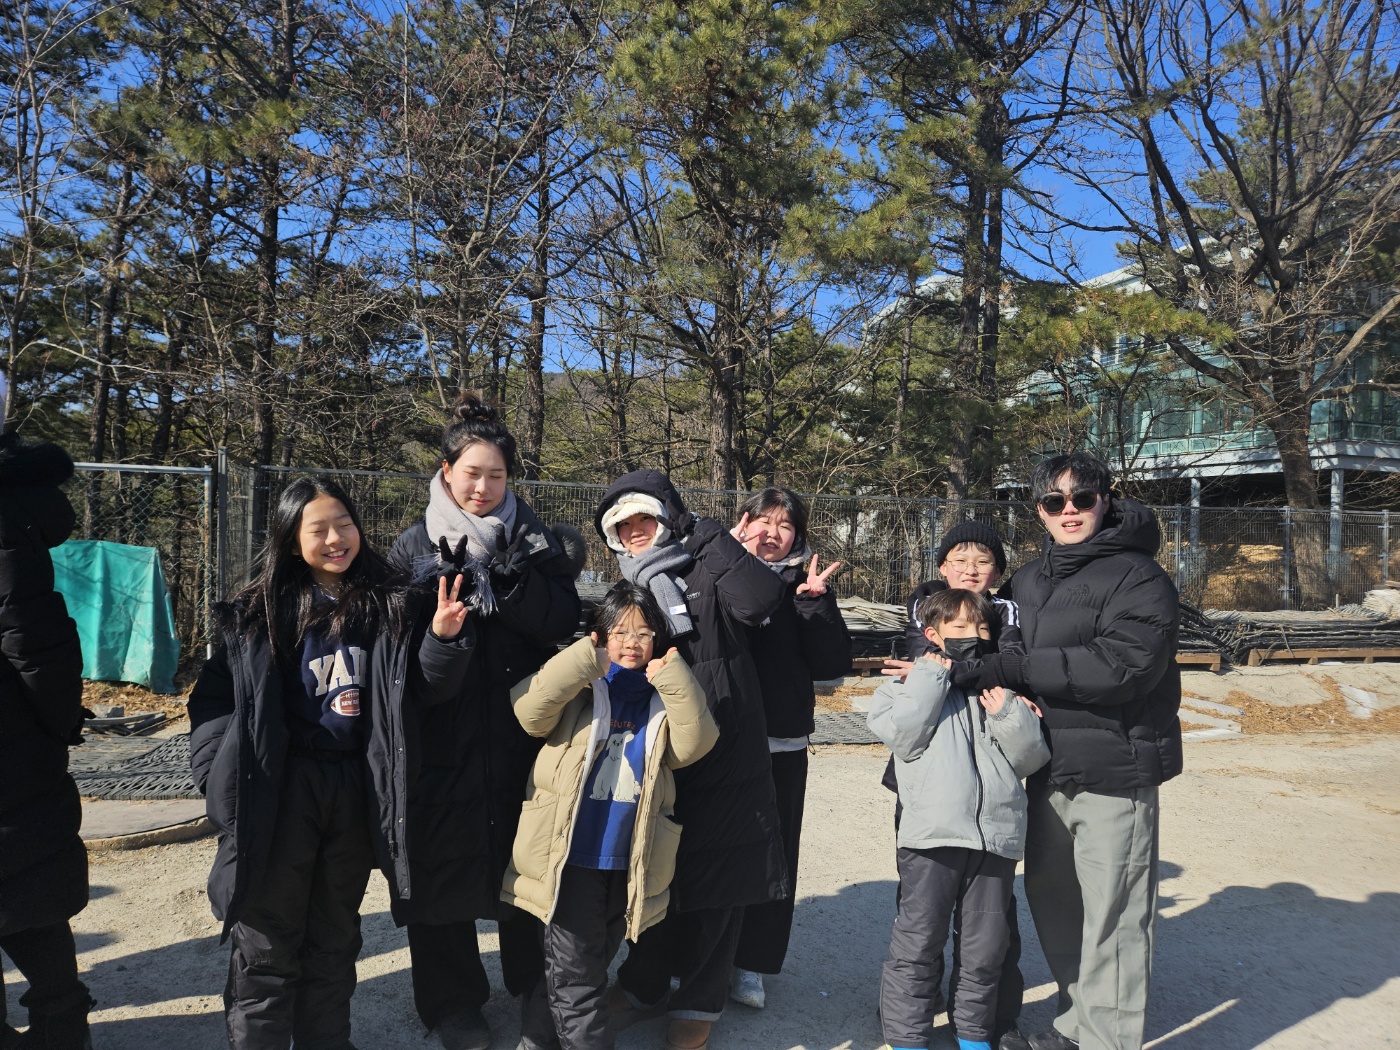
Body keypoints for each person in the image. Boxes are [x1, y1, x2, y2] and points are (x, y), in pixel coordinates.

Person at [188, 476, 476, 1050]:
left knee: (335, 938)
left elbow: (421, 692)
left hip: (352, 788)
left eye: (344, 524)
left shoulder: (389, 604)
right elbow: (214, 702)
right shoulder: (257, 614)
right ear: (292, 541)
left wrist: (442, 640)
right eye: (318, 529)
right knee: (267, 943)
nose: (335, 538)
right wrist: (217, 771)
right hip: (283, 789)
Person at [387, 392, 584, 1050]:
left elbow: (563, 618)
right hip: (441, 728)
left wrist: (511, 580)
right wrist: (442, 633)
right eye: (472, 473)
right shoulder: (414, 544)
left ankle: (536, 986)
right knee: (440, 863)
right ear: (446, 471)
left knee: (529, 860)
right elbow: (394, 650)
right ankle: (452, 1002)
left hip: (522, 730)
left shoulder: (533, 538)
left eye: (496, 475)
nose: (483, 486)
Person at [971, 453, 1182, 1050]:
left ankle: (1105, 1039)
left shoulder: (1139, 576)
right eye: (1054, 501)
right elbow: (990, 637)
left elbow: (1124, 666)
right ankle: (1077, 1024)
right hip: (1044, 768)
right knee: (1056, 901)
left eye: (1081, 498)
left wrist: (1018, 669)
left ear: (1105, 501)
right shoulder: (1029, 580)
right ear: (1038, 510)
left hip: (1114, 768)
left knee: (1115, 911)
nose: (1069, 510)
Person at [594, 470, 787, 1050]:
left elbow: (760, 600)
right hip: (656, 743)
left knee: (720, 875)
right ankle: (645, 981)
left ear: (668, 517)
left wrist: (705, 534)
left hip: (727, 740)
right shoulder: (630, 584)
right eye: (623, 524)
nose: (635, 531)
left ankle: (700, 999)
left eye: (645, 517)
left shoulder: (707, 565)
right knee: (655, 869)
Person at [502, 582, 719, 1050]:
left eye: (643, 633)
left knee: (585, 965)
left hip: (629, 860)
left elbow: (695, 744)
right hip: (569, 858)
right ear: (600, 635)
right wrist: (584, 659)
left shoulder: (661, 698)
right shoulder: (582, 688)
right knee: (578, 981)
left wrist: (674, 677)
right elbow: (529, 712)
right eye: (619, 631)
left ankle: (535, 1041)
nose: (631, 642)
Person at [867, 589, 1050, 1050]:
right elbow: (904, 737)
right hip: (933, 839)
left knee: (985, 951)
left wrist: (1008, 713)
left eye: (983, 628)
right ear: (933, 634)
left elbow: (1030, 759)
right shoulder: (903, 687)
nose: (975, 635)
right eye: (962, 627)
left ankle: (972, 1036)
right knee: (918, 944)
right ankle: (907, 1039)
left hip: (995, 840)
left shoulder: (999, 692)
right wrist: (931, 676)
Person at [728, 488, 852, 1010]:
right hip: (714, 738)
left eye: (786, 525)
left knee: (774, 853)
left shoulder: (804, 586)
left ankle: (751, 963)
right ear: (743, 522)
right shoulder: (714, 572)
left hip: (780, 742)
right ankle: (694, 958)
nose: (772, 533)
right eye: (764, 520)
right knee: (708, 849)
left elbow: (831, 666)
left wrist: (813, 604)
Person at [0, 433, 93, 1050]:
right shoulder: (16, 517)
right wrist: (59, 721)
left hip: (12, 736)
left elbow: (28, 635)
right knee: (32, 881)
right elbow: (35, 639)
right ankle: (62, 1023)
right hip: (19, 738)